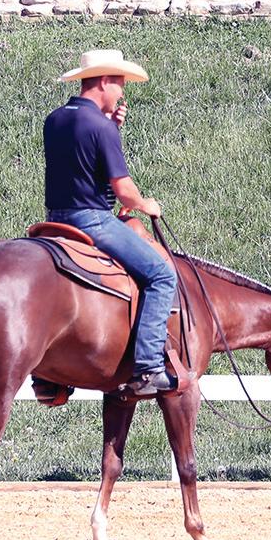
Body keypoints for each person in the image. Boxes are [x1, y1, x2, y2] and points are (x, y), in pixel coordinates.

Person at [43, 49, 179, 396]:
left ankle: (47, 375)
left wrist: (111, 126)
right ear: (104, 81)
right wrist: (146, 205)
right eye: (120, 84)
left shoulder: (54, 119)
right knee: (162, 275)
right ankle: (149, 367)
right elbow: (124, 191)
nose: (122, 93)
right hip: (92, 221)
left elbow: (80, 164)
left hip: (54, 219)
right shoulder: (100, 127)